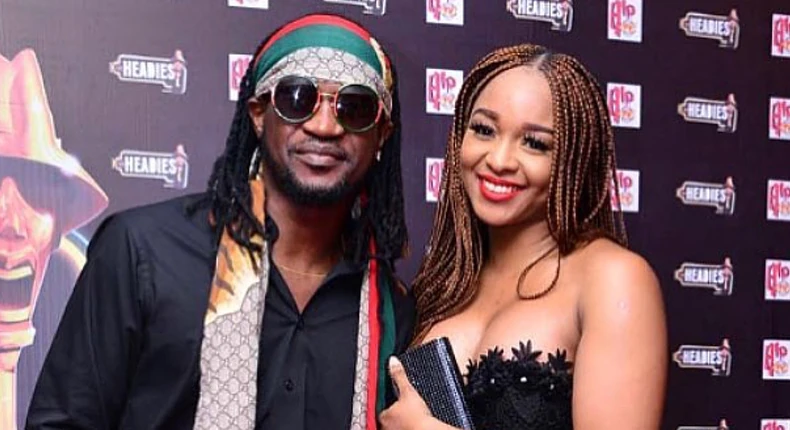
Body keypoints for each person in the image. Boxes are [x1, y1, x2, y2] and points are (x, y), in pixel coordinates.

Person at [26, 13, 415, 430]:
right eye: (297, 99)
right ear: (259, 114)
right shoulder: (141, 252)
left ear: (381, 134)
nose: (324, 126)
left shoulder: (390, 311)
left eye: (354, 108)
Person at [380, 44, 666, 429]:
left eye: (535, 143)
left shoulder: (613, 278)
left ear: (573, 160)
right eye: (484, 130)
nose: (499, 160)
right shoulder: (441, 285)